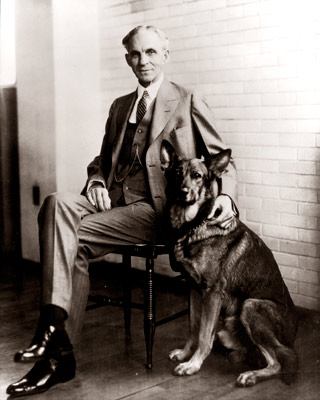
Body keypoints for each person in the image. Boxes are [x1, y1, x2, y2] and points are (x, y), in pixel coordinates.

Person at [7, 25, 238, 397]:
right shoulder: (119, 107)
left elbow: (222, 160)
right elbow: (102, 160)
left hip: (155, 211)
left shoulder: (187, 99)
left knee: (66, 238)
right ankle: (57, 341)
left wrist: (225, 197)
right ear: (127, 58)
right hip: (111, 201)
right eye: (134, 53)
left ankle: (53, 348)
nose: (142, 60)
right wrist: (97, 182)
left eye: (150, 52)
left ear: (165, 54)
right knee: (55, 203)